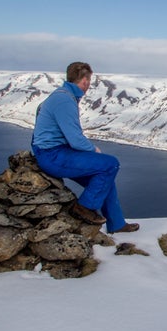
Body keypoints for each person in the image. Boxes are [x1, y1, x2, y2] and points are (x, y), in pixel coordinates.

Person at [31, 62, 139, 233]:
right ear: (85, 80)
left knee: (104, 179)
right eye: (88, 80)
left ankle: (117, 223)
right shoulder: (65, 100)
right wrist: (94, 150)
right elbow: (75, 139)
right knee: (110, 164)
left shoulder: (60, 96)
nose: (89, 84)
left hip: (52, 152)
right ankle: (84, 208)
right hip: (53, 155)